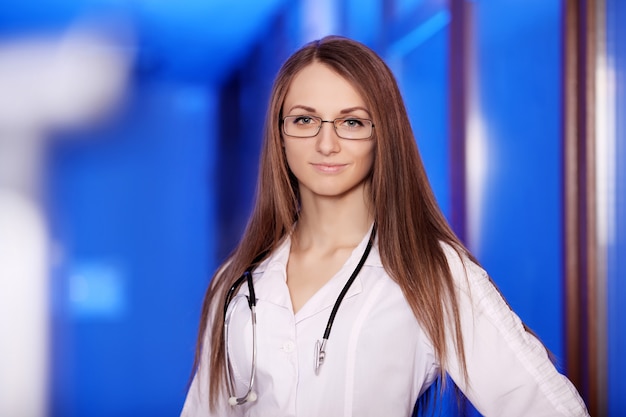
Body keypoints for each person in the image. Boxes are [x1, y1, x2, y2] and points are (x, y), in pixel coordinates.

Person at [181, 36, 589, 417]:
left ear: (383, 135)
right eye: (305, 120)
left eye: (352, 122)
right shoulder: (235, 284)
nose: (327, 144)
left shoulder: (432, 274)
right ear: (280, 135)